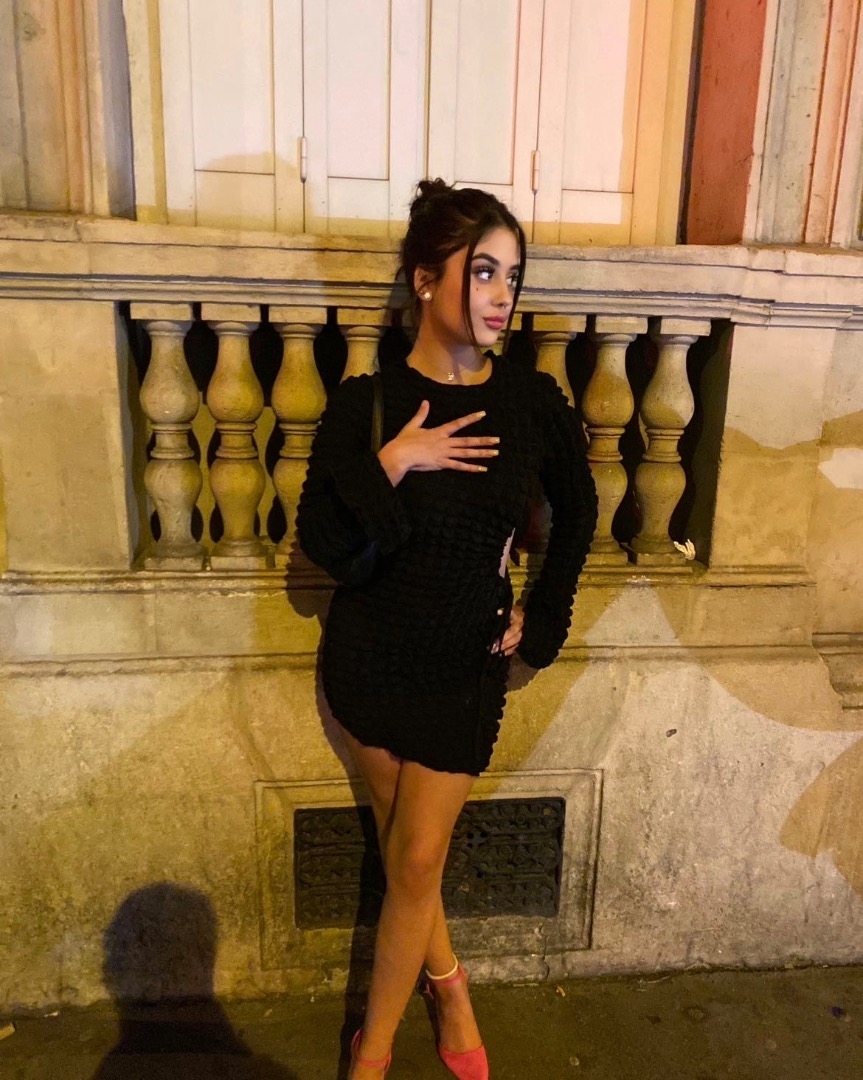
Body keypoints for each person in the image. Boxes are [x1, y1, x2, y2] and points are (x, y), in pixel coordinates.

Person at [296, 179, 597, 1080]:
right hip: (370, 659)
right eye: (484, 272)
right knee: (410, 864)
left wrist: (541, 617)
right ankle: (448, 986)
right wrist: (395, 459)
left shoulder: (530, 402)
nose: (503, 295)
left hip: (461, 670)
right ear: (425, 279)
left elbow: (579, 512)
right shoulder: (367, 402)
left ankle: (371, 1056)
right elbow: (321, 540)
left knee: (417, 856)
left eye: (512, 275)